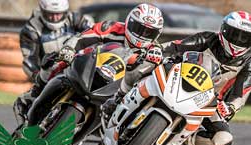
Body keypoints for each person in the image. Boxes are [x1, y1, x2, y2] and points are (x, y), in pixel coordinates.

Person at [27, 3, 164, 126]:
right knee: (56, 60)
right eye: (138, 28)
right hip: (92, 66)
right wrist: (69, 49)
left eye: (149, 32)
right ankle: (37, 89)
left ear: (157, 34)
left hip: (116, 89)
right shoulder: (111, 27)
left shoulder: (154, 52)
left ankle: (82, 140)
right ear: (129, 22)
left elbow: (151, 77)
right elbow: (82, 37)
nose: (142, 35)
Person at [161, 11, 251, 145]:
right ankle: (122, 95)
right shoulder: (208, 38)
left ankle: (181, 139)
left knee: (223, 142)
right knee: (146, 63)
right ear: (224, 31)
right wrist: (158, 50)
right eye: (235, 34)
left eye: (245, 38)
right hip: (178, 79)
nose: (238, 41)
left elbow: (241, 93)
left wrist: (230, 107)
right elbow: (176, 46)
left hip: (209, 100)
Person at [13, 0, 93, 126]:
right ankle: (27, 127)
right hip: (50, 71)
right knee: (24, 102)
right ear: (42, 11)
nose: (55, 18)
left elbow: (94, 36)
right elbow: (29, 59)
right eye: (50, 14)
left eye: (58, 14)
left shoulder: (77, 19)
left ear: (65, 12)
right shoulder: (32, 28)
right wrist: (37, 76)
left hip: (80, 65)